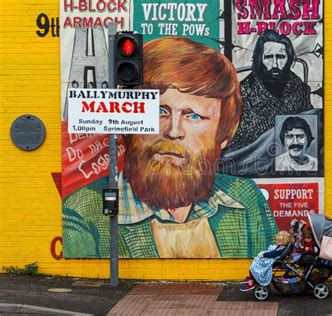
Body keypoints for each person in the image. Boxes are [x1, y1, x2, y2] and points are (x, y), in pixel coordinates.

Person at [62, 37, 279, 259]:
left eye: (194, 115)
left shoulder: (246, 197)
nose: (173, 131)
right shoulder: (82, 211)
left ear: (224, 133)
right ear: (127, 126)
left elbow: (266, 270)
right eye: (159, 112)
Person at [225, 30, 314, 153]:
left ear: (289, 60)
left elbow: (310, 129)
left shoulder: (301, 90)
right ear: (259, 60)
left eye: (281, 57)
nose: (275, 64)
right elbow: (234, 147)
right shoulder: (241, 94)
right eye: (268, 57)